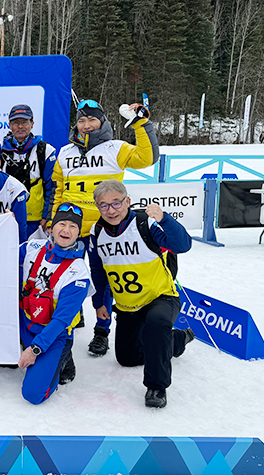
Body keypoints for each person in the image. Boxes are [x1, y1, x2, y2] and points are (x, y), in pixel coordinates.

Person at [51, 99, 159, 356]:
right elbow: (58, 189)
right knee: (66, 277)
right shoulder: (65, 153)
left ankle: (102, 331)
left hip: (105, 227)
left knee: (103, 281)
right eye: (81, 120)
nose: (86, 125)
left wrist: (141, 123)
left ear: (103, 122)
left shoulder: (116, 148)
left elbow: (148, 157)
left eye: (92, 120)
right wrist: (53, 219)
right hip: (72, 229)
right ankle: (72, 319)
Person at [87, 180, 194, 408]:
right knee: (127, 358)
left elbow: (183, 245)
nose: (111, 210)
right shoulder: (96, 233)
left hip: (161, 296)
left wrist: (164, 219)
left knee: (157, 323)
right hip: (128, 306)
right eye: (103, 205)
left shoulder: (145, 224)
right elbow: (98, 272)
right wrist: (99, 303)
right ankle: (176, 340)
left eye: (116, 203)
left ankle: (157, 387)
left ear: (127, 201)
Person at [18, 203, 93, 404]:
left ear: (79, 233)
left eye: (73, 226)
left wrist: (34, 350)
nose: (66, 230)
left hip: (52, 334)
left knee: (33, 395)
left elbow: (61, 321)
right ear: (51, 228)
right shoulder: (33, 247)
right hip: (24, 321)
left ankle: (62, 361)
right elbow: (2, 255)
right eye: (62, 224)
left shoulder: (78, 273)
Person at [0, 106, 57, 237]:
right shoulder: (1, 147)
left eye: (24, 122)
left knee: (29, 255)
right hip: (5, 216)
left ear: (32, 124)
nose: (20, 126)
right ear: (9, 125)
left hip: (35, 220)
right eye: (15, 122)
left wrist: (48, 216)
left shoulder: (46, 150)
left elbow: (51, 187)